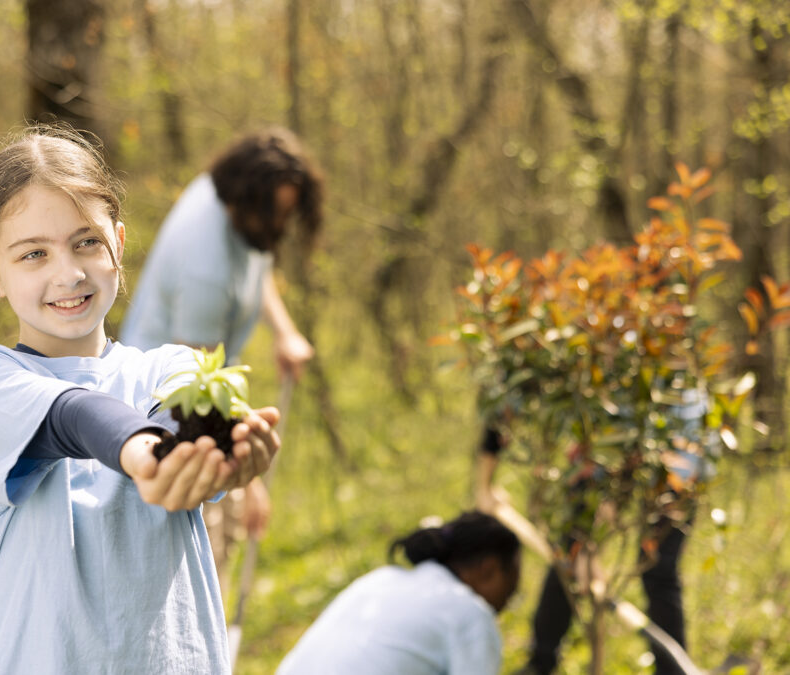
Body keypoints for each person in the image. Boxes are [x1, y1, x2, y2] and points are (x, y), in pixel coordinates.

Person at [0, 127, 282, 674]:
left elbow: (190, 426)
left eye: (86, 242)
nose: (67, 273)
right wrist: (145, 453)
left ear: (118, 242)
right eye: (33, 255)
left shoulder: (171, 366)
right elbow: (73, 414)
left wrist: (230, 455)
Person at [120, 127, 324, 575]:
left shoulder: (230, 200)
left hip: (200, 393)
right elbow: (200, 391)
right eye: (275, 215)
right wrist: (248, 482)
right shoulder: (204, 268)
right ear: (244, 203)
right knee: (200, 551)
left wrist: (285, 332)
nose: (281, 228)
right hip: (164, 413)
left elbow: (258, 258)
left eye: (288, 214)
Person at [478, 413, 699, 675]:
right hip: (600, 455)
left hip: (676, 462)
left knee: (658, 569)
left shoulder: (682, 407)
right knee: (568, 555)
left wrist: (589, 544)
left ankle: (676, 672)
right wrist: (584, 542)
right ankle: (540, 663)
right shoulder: (595, 395)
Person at [276, 511, 521, 675]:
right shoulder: (470, 613)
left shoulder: (382, 579)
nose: (509, 600)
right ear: (488, 569)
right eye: (511, 588)